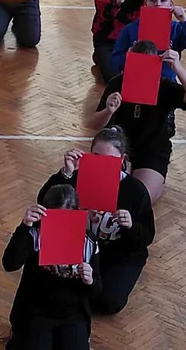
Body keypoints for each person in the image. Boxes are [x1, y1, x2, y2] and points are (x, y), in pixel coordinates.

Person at [37, 129, 155, 315]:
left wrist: (131, 226)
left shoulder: (134, 190)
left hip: (118, 255)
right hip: (83, 249)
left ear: (122, 159)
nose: (102, 164)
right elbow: (45, 203)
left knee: (109, 302)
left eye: (109, 159)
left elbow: (147, 236)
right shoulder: (77, 177)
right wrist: (65, 174)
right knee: (47, 287)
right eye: (96, 156)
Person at [2, 185, 101, 350]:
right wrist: (25, 226)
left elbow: (96, 290)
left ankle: (55, 346)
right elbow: (10, 263)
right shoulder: (34, 236)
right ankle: (18, 339)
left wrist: (90, 280)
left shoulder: (89, 243)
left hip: (72, 315)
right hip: (36, 313)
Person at [93, 40, 186, 204]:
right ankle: (128, 172)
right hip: (119, 149)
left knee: (140, 199)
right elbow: (95, 124)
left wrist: (177, 67)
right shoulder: (117, 83)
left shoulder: (164, 87)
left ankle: (153, 182)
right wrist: (108, 111)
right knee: (100, 196)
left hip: (152, 151)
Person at [111, 0, 186, 79]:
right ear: (145, 3)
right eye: (153, 0)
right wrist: (130, 56)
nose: (158, 4)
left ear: (171, 4)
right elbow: (115, 63)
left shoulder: (177, 29)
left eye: (163, 0)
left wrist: (185, 21)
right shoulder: (130, 29)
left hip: (167, 82)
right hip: (138, 80)